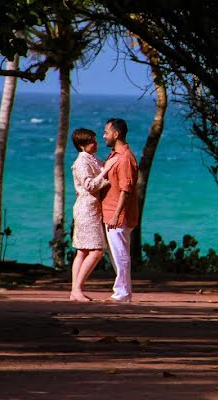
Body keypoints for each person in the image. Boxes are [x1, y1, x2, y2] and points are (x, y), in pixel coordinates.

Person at [69, 128, 118, 302]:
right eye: (92, 142)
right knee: (96, 251)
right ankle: (77, 289)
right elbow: (90, 185)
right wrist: (105, 172)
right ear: (82, 145)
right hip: (86, 209)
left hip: (91, 208)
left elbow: (106, 167)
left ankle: (76, 290)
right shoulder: (82, 161)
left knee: (82, 251)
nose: (96, 144)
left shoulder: (92, 159)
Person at [101, 117, 139, 302]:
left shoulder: (125, 158)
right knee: (116, 254)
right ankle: (121, 290)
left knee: (120, 253)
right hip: (110, 211)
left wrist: (117, 213)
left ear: (116, 134)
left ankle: (122, 293)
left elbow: (126, 188)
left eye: (106, 132)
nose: (103, 136)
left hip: (118, 213)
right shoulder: (114, 156)